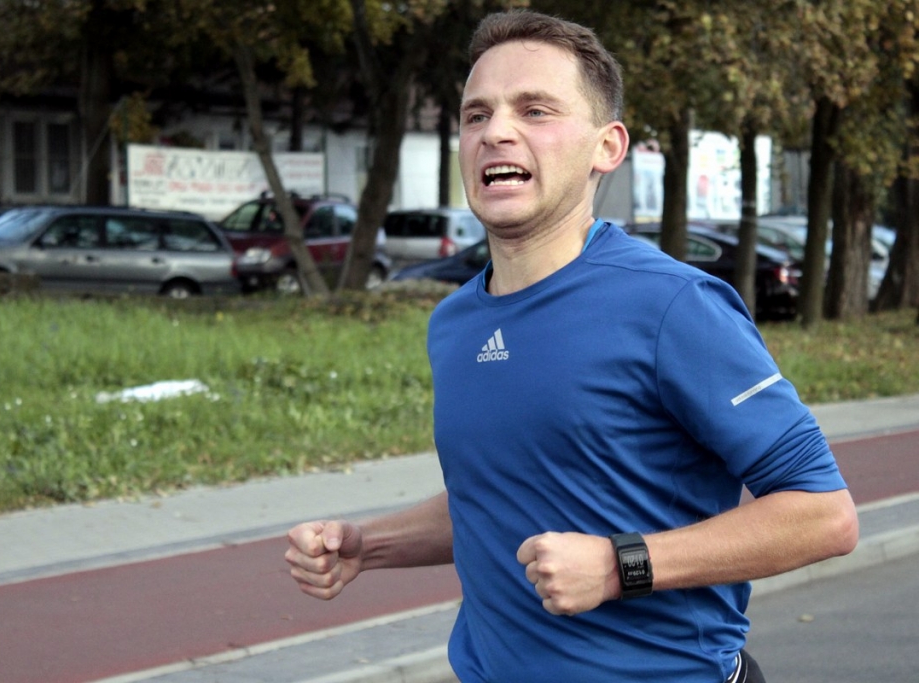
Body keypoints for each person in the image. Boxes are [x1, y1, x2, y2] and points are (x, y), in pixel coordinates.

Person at [285, 10, 858, 683]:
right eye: (476, 115)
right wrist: (370, 544)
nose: (496, 131)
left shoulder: (673, 305)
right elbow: (501, 494)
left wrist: (620, 565)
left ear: (606, 147)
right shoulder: (455, 323)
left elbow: (824, 515)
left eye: (535, 110)